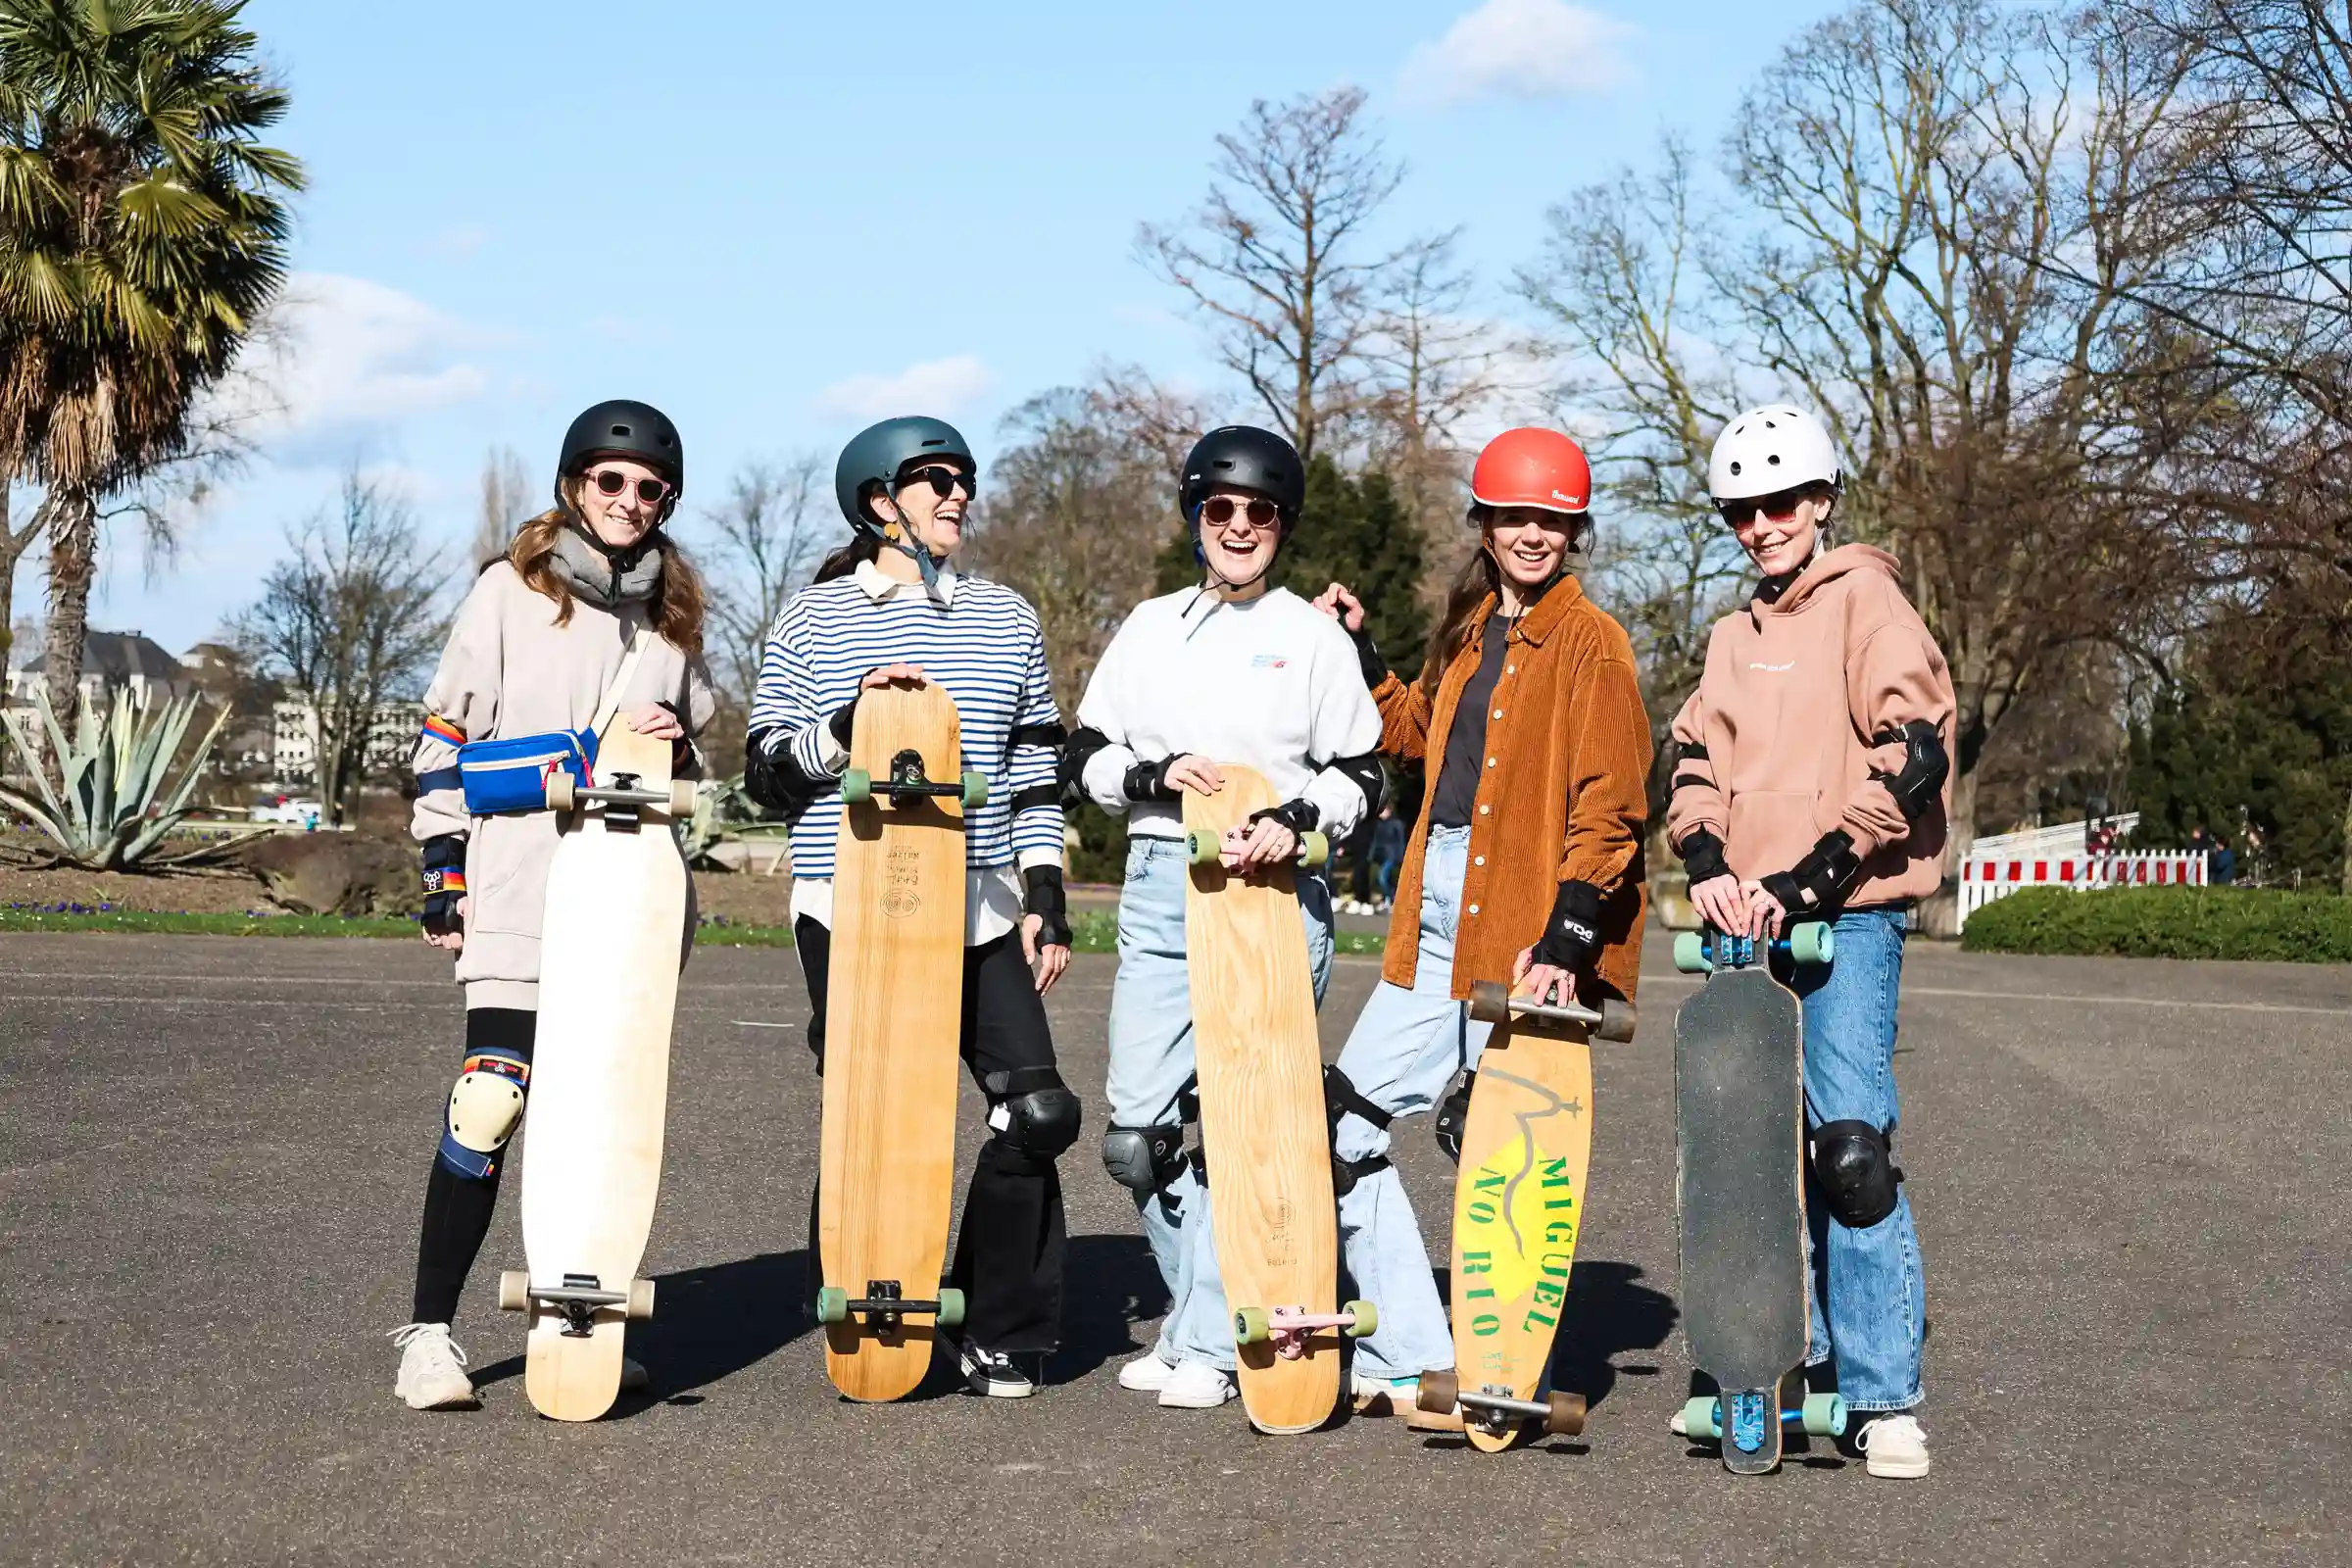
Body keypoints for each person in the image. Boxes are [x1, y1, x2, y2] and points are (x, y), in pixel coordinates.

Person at [1310, 427, 1652, 1424]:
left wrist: (1568, 938)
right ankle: (1418, 1354)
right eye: (1515, 516)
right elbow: (1415, 733)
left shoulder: (1595, 643)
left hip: (1531, 912)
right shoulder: (1468, 631)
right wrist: (1361, 650)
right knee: (1342, 1128)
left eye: (1552, 518)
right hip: (1437, 904)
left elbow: (1614, 805)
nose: (1533, 533)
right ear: (1487, 525)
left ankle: (1511, 1369)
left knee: (1509, 1149)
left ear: (1573, 528)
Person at [743, 416, 1078, 1398]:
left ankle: (995, 1321)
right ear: (879, 501)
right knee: (876, 1105)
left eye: (964, 480)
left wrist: (1045, 893)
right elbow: (765, 772)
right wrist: (850, 722)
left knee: (1040, 1109)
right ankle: (867, 1295)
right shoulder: (813, 620)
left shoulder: (1007, 617)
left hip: (974, 904)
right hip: (848, 902)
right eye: (935, 481)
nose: (957, 497)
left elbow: (1033, 769)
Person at [391, 399, 716, 1410]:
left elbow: (695, 765)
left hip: (628, 903)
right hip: (521, 885)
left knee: (600, 1115)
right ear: (575, 483)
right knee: (493, 1097)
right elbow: (444, 745)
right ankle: (431, 1335)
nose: (628, 500)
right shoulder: (507, 593)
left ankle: (580, 1323)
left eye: (649, 488)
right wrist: (442, 871)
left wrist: (672, 735)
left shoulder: (670, 621)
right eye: (610, 480)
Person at [1062, 424, 1385, 1411]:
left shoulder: (1313, 637)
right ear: (1197, 516)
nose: (1239, 527)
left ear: (1282, 525)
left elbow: (1364, 776)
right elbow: (1084, 756)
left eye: (1260, 513)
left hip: (1274, 891)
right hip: (1166, 874)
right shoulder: (1152, 625)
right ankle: (1201, 1312)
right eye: (1221, 510)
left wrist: (1295, 820)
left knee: (1244, 1121)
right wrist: (1154, 773)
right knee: (1140, 1133)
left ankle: (1207, 1335)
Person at [1665, 403, 1955, 1479]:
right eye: (1742, 510)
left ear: (1823, 501)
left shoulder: (1868, 602)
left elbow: (1914, 753)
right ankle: (1789, 1361)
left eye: (1781, 502)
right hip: (1751, 922)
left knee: (1848, 1151)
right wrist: (1711, 871)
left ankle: (1882, 1397)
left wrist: (1815, 877)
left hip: (1852, 913)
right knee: (1747, 1160)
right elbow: (1689, 763)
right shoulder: (1731, 637)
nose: (1763, 525)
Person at [1368, 803, 1406, 907]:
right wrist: (1372, 855)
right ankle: (1388, 900)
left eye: (1383, 811)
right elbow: (1375, 841)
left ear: (1389, 811)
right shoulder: (1379, 825)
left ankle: (1391, 896)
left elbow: (1401, 841)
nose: (1380, 813)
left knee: (1382, 877)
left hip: (1392, 855)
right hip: (1381, 855)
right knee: (1386, 878)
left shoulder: (1397, 824)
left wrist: (1401, 857)